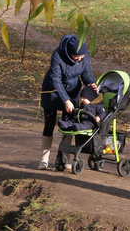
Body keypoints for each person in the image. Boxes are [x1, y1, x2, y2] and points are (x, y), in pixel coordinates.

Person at [38, 34, 97, 170]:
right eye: (77, 57)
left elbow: (86, 74)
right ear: (70, 53)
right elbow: (56, 80)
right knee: (49, 124)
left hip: (73, 91)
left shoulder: (84, 55)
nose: (79, 59)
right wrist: (65, 100)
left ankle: (65, 159)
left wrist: (91, 84)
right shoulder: (57, 55)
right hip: (53, 91)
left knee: (69, 124)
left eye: (82, 57)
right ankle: (44, 159)